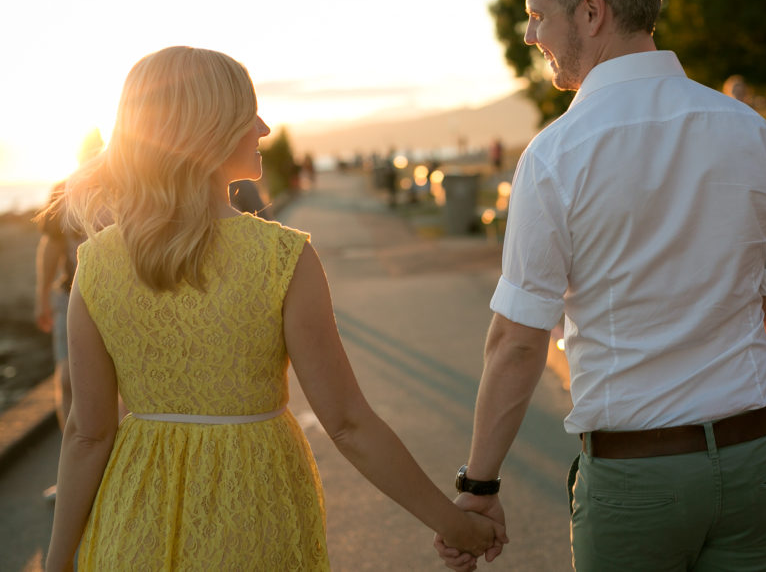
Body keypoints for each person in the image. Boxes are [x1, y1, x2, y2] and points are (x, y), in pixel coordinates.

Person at [436, 0, 766, 571]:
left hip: (637, 484)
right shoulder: (756, 136)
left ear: (591, 12)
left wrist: (479, 486)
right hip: (753, 466)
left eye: (539, 15)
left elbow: (517, 341)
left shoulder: (555, 158)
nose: (531, 34)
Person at [44, 46, 500, 571]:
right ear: (207, 129)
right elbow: (349, 424)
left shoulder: (96, 266)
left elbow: (88, 433)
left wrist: (56, 563)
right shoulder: (283, 258)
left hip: (133, 525)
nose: (262, 127)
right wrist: (456, 525)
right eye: (248, 114)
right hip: (254, 519)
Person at [34, 130, 105, 501]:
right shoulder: (63, 191)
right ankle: (72, 476)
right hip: (67, 296)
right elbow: (51, 245)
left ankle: (109, 473)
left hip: (110, 298)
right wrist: (41, 297)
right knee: (65, 383)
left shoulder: (120, 185)